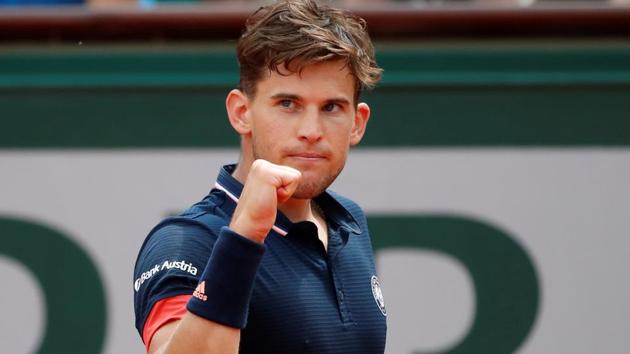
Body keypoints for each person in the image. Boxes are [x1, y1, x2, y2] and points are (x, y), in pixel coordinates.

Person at [133, 0, 386, 352]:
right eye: (288, 104)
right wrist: (246, 234)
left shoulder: (350, 221)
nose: (311, 130)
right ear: (241, 113)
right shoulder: (187, 241)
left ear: (357, 123)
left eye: (331, 107)